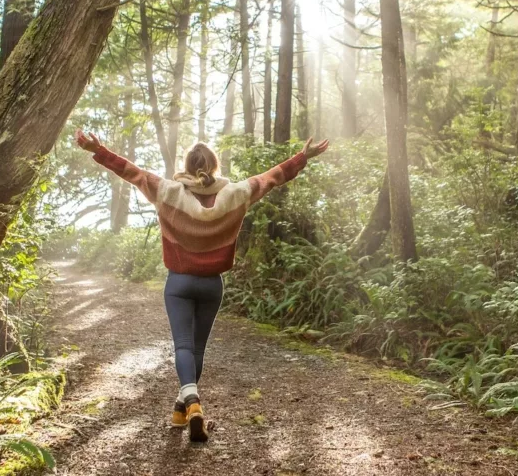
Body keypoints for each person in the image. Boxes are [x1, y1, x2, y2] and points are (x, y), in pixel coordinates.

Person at [75, 129, 329, 442]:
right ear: (214, 166)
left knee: (182, 346)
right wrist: (303, 157)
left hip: (178, 283)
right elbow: (272, 177)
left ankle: (192, 403)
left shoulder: (167, 191)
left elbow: (130, 171)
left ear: (187, 164)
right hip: (212, 286)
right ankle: (182, 410)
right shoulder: (236, 193)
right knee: (197, 348)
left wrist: (97, 149)